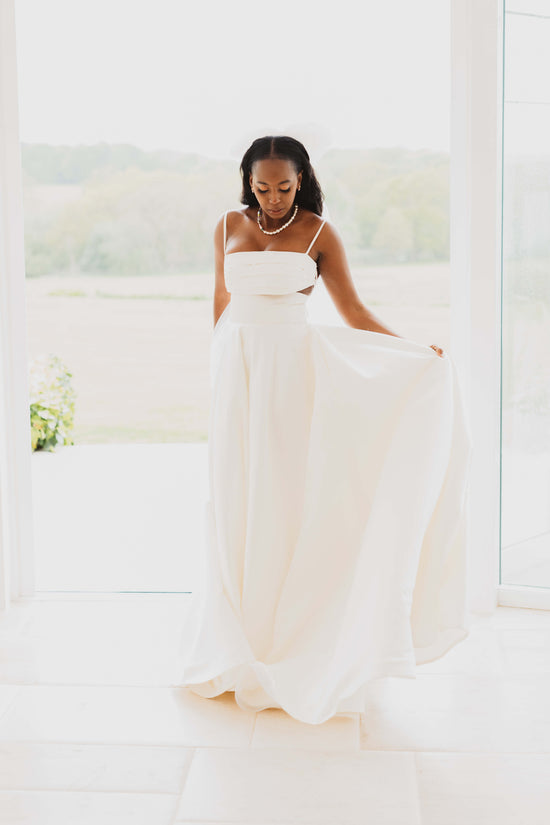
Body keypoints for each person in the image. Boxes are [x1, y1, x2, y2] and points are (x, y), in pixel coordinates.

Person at [174, 135, 473, 726]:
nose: (275, 198)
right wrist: (218, 376)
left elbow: (353, 312)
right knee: (234, 497)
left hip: (290, 372)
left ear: (302, 178)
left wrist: (415, 351)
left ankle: (293, 636)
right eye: (263, 187)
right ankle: (238, 639)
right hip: (238, 376)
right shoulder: (226, 225)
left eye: (285, 186)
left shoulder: (318, 233)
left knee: (282, 497)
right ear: (247, 181)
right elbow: (220, 302)